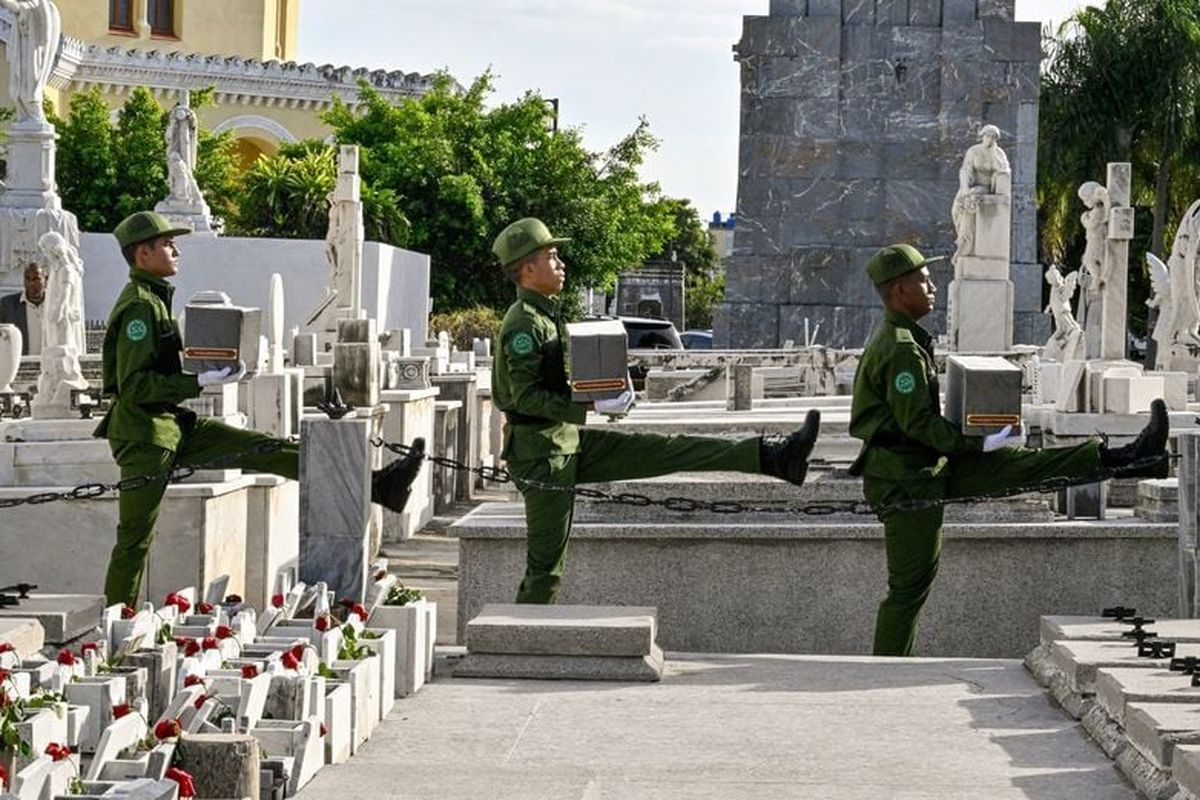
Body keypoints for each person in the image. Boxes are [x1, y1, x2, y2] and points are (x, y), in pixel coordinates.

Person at [849, 243, 1169, 657]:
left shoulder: (902, 339)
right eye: (923, 281)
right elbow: (919, 425)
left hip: (921, 471)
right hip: (908, 482)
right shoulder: (901, 348)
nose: (933, 287)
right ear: (898, 291)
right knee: (907, 591)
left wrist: (985, 437)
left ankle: (1132, 458)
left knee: (1025, 465)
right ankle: (886, 667)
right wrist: (982, 439)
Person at [94, 211, 425, 607]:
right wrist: (196, 381)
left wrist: (214, 362)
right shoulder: (139, 309)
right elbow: (134, 388)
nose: (176, 249)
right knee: (135, 538)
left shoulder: (154, 301)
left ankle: (378, 484)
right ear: (142, 254)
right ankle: (114, 623)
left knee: (262, 447)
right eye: (166, 244)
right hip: (144, 436)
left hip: (171, 425)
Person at [491, 217, 821, 604]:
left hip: (562, 442)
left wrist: (606, 387)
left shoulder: (543, 314)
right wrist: (588, 407)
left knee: (667, 447)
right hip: (541, 455)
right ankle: (516, 649)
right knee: (546, 568)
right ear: (528, 268)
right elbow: (526, 396)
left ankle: (772, 456)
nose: (560, 263)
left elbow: (551, 386)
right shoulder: (524, 324)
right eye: (551, 256)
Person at [0, 262, 46, 355]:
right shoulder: (7, 305)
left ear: (45, 280)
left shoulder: (55, 305)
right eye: (27, 279)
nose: (31, 283)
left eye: (36, 279)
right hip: (20, 365)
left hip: (50, 365)